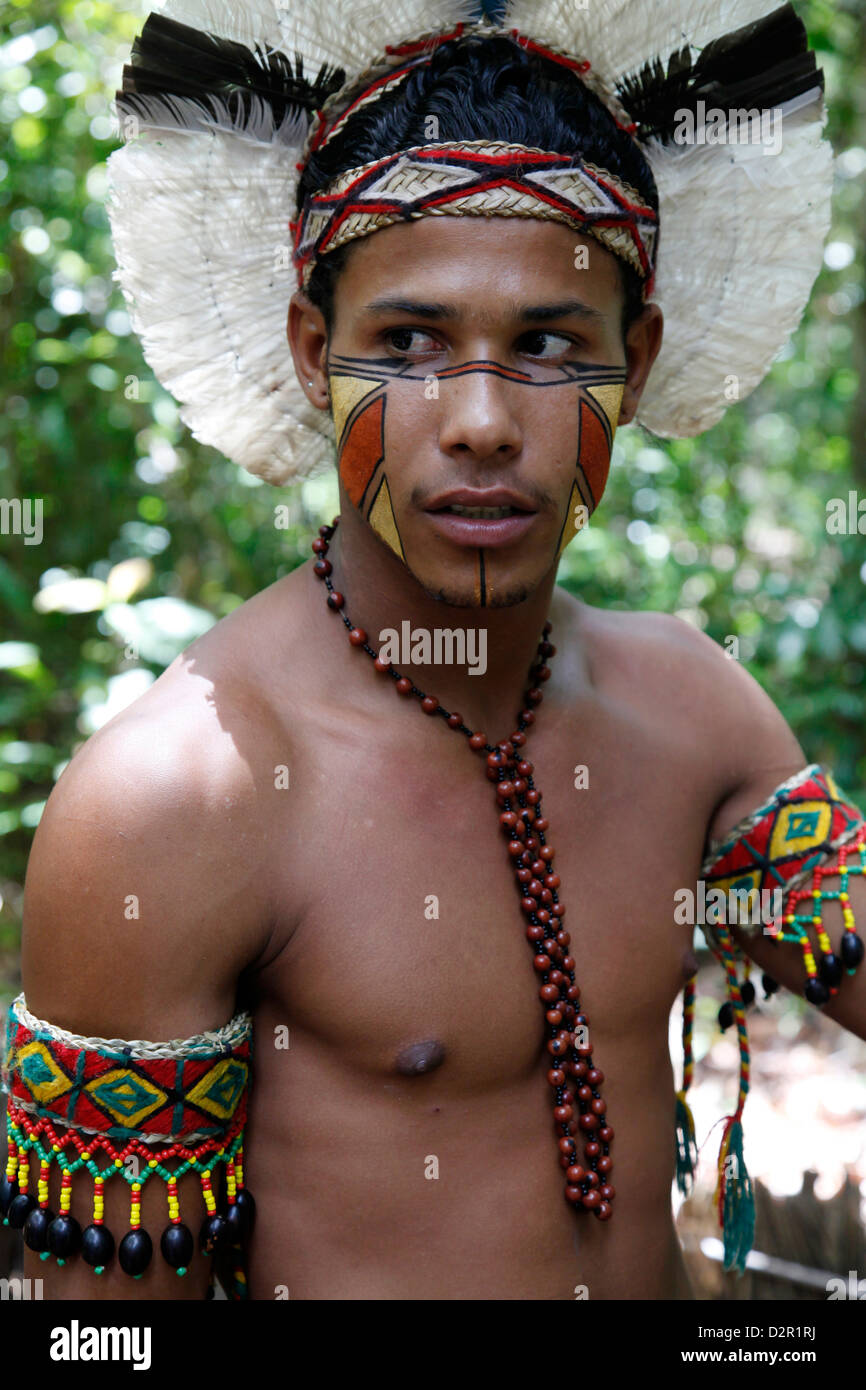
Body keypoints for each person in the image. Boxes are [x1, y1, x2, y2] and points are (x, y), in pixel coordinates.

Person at [3, 0, 864, 1301]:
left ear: (633, 365)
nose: (477, 420)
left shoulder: (695, 711)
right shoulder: (174, 801)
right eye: (406, 344)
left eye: (545, 346)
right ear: (313, 356)